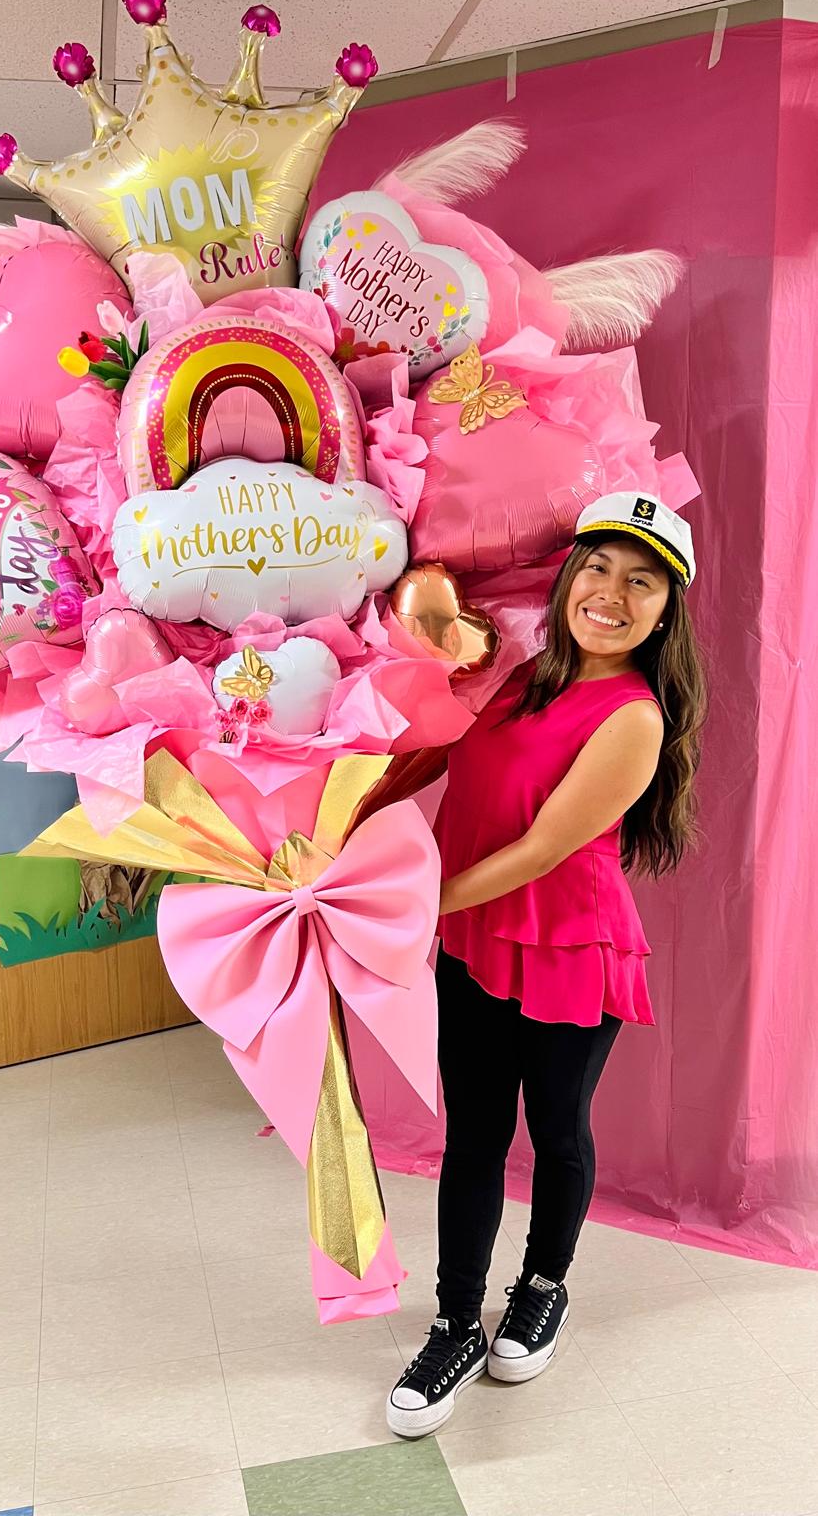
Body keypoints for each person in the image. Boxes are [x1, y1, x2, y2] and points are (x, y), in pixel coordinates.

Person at [387, 492, 707, 1439]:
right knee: (474, 1137)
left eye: (641, 582)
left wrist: (409, 908)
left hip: (569, 944)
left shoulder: (634, 717)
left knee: (557, 1130)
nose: (612, 593)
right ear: (570, 578)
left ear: (664, 613)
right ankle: (452, 1323)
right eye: (599, 568)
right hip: (473, 938)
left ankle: (542, 1285)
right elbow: (433, 761)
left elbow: (540, 851)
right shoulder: (521, 673)